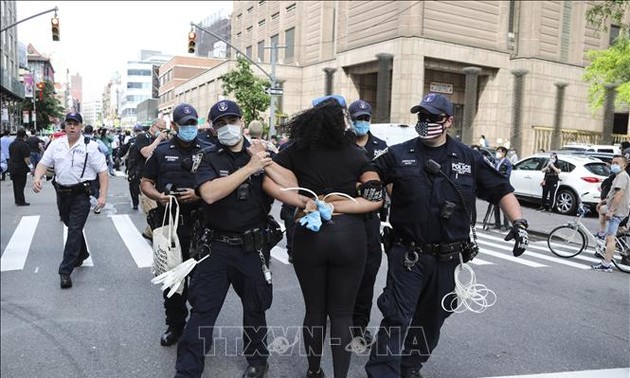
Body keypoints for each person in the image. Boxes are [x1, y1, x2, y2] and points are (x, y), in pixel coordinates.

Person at [363, 93, 528, 378]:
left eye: (432, 118)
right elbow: (370, 170)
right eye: (421, 117)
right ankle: (382, 373)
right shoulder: (401, 153)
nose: (425, 123)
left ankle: (410, 366)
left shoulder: (469, 158)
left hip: (449, 258)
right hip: (407, 254)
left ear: (449, 121)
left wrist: (519, 223)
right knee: (397, 317)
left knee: (432, 318)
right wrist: (373, 184)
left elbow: (501, 189)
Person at [262, 95, 383, 378]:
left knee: (314, 311)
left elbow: (269, 182)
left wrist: (303, 202)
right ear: (341, 121)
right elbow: (375, 195)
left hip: (309, 233)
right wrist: (340, 205)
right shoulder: (355, 153)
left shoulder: (295, 150)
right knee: (342, 314)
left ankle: (314, 371)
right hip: (349, 235)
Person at [175, 99, 275, 378]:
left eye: (232, 121)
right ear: (213, 128)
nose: (227, 127)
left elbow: (285, 184)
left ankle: (258, 360)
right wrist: (248, 168)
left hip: (252, 246)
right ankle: (187, 370)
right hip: (215, 246)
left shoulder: (261, 153)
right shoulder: (209, 157)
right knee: (202, 310)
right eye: (220, 123)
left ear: (242, 122)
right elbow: (209, 193)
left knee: (255, 308)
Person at [141, 103, 209, 347]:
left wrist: (199, 194)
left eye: (193, 123)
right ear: (174, 126)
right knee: (173, 280)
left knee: (202, 281)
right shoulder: (161, 151)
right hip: (170, 223)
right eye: (184, 124)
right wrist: (159, 196)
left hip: (202, 223)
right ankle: (175, 325)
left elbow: (220, 184)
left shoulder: (208, 149)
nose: (189, 128)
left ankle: (198, 327)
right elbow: (146, 182)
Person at [32, 112, 109, 289]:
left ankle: (65, 271)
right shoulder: (56, 144)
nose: (72, 126)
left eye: (76, 123)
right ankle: (82, 253)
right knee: (69, 224)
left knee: (74, 229)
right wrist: (37, 178)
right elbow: (43, 164)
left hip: (81, 194)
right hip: (61, 193)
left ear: (81, 126)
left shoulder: (91, 146)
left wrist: (102, 196)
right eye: (69, 123)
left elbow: (103, 173)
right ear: (64, 126)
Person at [347, 99, 388, 347]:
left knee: (367, 276)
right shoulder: (340, 145)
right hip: (344, 217)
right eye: (357, 119)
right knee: (341, 273)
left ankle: (359, 326)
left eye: (365, 118)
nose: (361, 123)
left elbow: (387, 182)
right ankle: (338, 315)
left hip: (370, 220)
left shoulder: (381, 148)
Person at [592, 154, 630, 273]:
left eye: (617, 163)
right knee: (601, 210)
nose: (614, 165)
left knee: (610, 238)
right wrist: (603, 202)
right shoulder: (617, 176)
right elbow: (612, 194)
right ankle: (602, 233)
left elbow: (619, 194)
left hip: (617, 211)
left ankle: (606, 264)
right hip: (613, 209)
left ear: (624, 164)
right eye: (613, 162)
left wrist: (611, 211)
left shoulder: (623, 176)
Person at [8, 128, 32, 206]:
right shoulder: (24, 145)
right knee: (21, 185)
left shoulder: (12, 144)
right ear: (24, 135)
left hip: (12, 166)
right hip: (21, 168)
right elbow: (26, 158)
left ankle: (17, 200)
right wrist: (31, 167)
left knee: (15, 185)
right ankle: (21, 201)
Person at [493, 146, 513, 230]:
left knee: (504, 206)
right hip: (495, 186)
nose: (497, 153)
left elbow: (507, 175)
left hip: (503, 186)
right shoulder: (497, 162)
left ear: (504, 153)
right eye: (497, 151)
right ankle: (497, 223)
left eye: (499, 151)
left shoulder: (507, 163)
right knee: (495, 206)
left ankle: (506, 225)